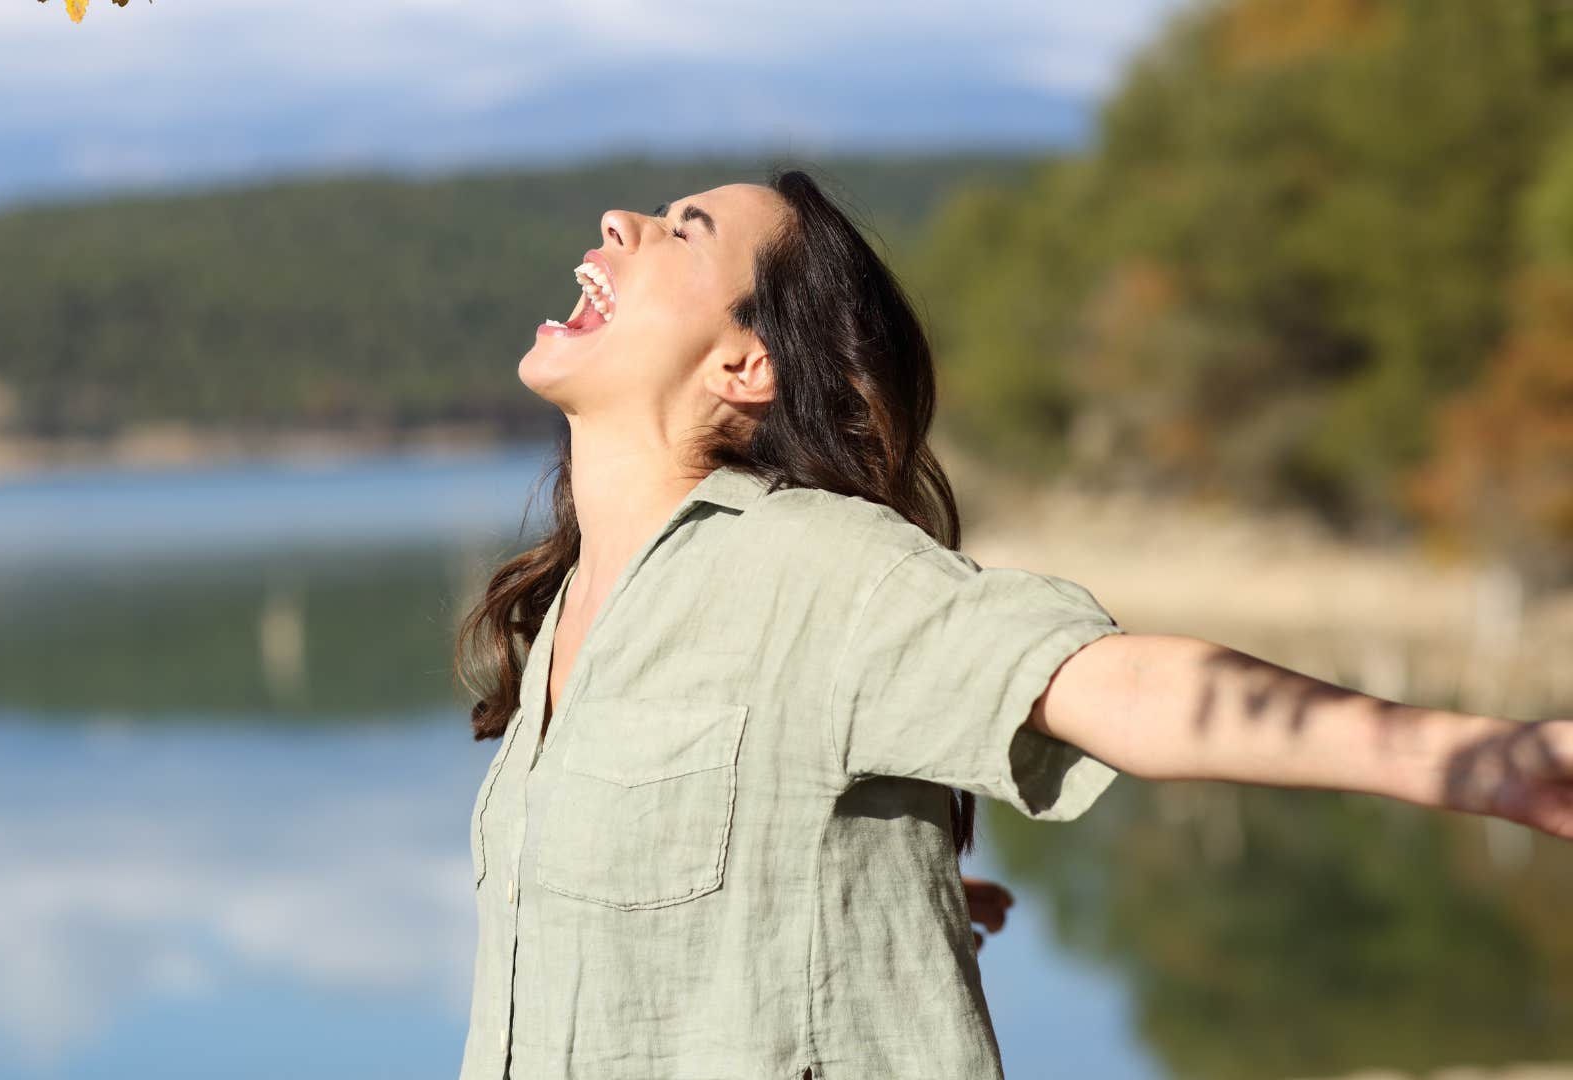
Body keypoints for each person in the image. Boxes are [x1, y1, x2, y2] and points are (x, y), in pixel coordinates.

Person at [451, 168, 1572, 1079]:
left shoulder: (812, 568)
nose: (621, 221)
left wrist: (1475, 760)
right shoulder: (566, 612)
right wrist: (850, 890)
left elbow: (1117, 686)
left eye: (682, 231)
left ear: (746, 365)